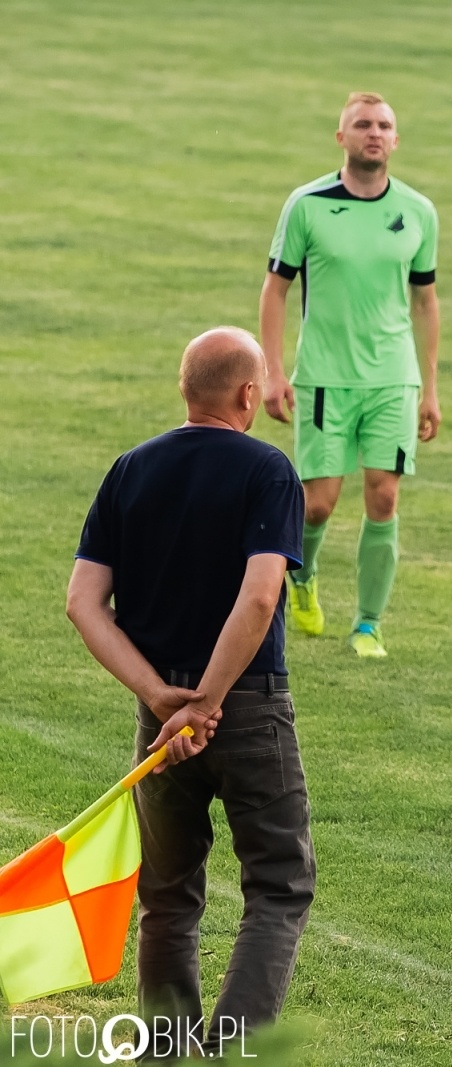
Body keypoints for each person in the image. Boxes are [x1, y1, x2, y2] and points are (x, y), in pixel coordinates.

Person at [66, 328, 315, 1055]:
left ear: (184, 387)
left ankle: (165, 1046)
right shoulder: (267, 469)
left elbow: (84, 602)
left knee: (168, 896)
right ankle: (232, 1044)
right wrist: (208, 699)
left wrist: (162, 697)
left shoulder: (130, 469)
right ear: (247, 394)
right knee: (278, 883)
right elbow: (262, 594)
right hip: (244, 707)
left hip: (160, 718)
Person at [260, 91, 442, 659]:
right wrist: (272, 372)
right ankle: (304, 577)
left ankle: (368, 624)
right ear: (342, 137)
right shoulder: (308, 204)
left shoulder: (417, 211)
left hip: (393, 378)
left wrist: (429, 388)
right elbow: (276, 290)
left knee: (383, 496)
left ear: (396, 139)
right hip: (323, 377)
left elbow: (426, 302)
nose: (374, 133)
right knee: (317, 503)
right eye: (362, 124)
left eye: (385, 125)